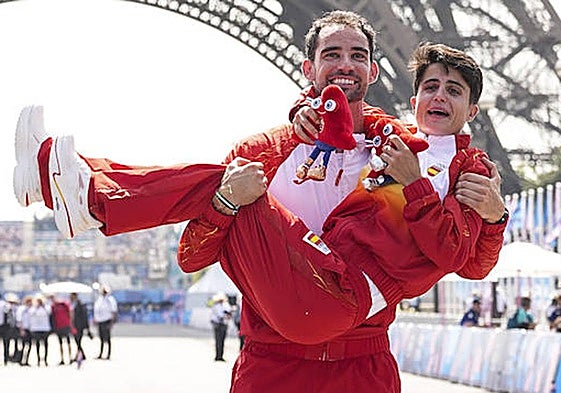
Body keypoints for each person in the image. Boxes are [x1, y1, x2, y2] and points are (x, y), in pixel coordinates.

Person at [13, 11, 507, 392]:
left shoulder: (400, 149)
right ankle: (80, 192)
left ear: (374, 71)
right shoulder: (262, 154)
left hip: (362, 364)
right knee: (224, 180)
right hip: (273, 364)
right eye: (332, 54)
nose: (345, 65)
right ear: (308, 67)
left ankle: (90, 198)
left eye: (357, 55)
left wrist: (496, 216)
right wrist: (228, 202)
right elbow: (193, 257)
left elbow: (471, 264)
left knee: (222, 181)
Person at [93, 285, 117, 360]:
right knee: (101, 338)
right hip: (100, 321)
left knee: (107, 338)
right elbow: (96, 310)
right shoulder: (99, 299)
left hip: (107, 321)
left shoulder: (110, 299)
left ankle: (108, 354)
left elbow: (113, 311)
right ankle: (101, 353)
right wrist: (95, 319)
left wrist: (112, 323)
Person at [49, 294, 73, 365]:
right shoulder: (53, 307)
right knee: (60, 344)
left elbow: (70, 313)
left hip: (66, 325)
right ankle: (62, 359)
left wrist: (70, 324)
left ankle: (70, 357)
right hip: (58, 327)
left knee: (68, 342)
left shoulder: (64, 304)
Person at [69, 292, 92, 362]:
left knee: (78, 340)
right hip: (73, 325)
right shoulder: (71, 304)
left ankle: (80, 355)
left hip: (79, 326)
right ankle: (80, 354)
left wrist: (86, 327)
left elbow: (84, 316)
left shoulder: (80, 305)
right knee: (77, 341)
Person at [29, 295, 51, 366]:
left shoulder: (46, 307)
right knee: (37, 344)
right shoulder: (33, 308)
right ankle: (38, 359)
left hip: (45, 328)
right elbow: (31, 313)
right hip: (36, 328)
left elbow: (49, 312)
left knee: (45, 344)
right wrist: (37, 307)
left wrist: (43, 306)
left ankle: (45, 359)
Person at [209, 293, 231, 362]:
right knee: (219, 341)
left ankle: (220, 355)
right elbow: (221, 315)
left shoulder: (223, 306)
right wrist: (226, 315)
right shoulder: (217, 306)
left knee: (221, 341)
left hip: (222, 324)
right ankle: (218, 356)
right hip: (219, 325)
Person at [15, 295, 33, 366]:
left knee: (29, 345)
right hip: (23, 329)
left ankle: (26, 360)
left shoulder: (31, 309)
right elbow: (19, 320)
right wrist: (21, 330)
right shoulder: (22, 309)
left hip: (30, 329)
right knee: (22, 345)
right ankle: (20, 360)